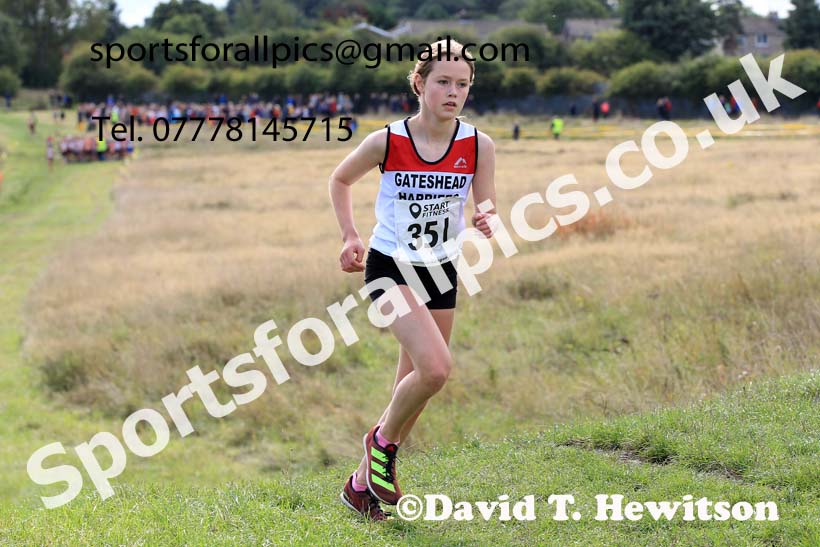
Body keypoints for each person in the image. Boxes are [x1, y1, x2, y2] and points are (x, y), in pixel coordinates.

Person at [328, 38, 497, 521]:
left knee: (415, 384)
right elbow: (339, 179)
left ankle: (361, 484)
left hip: (442, 270)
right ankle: (379, 444)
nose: (454, 92)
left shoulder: (478, 145)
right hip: (389, 267)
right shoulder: (387, 139)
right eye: (443, 81)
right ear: (420, 83)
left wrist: (486, 218)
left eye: (462, 84)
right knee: (437, 370)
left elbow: (484, 201)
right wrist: (349, 234)